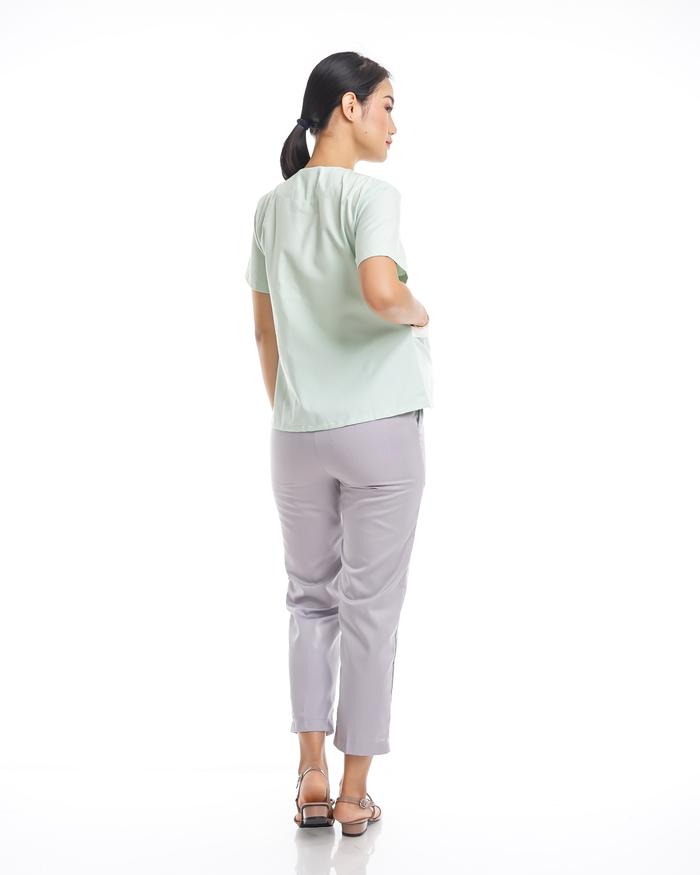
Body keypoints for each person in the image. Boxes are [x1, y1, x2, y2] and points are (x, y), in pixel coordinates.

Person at [244, 51, 433, 836]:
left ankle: (310, 776)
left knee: (308, 600)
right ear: (348, 107)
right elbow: (381, 291)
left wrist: (297, 408)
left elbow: (265, 333)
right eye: (387, 104)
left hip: (296, 434)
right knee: (370, 611)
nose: (394, 122)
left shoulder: (270, 208)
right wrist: (420, 311)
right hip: (380, 430)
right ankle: (355, 794)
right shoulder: (371, 196)